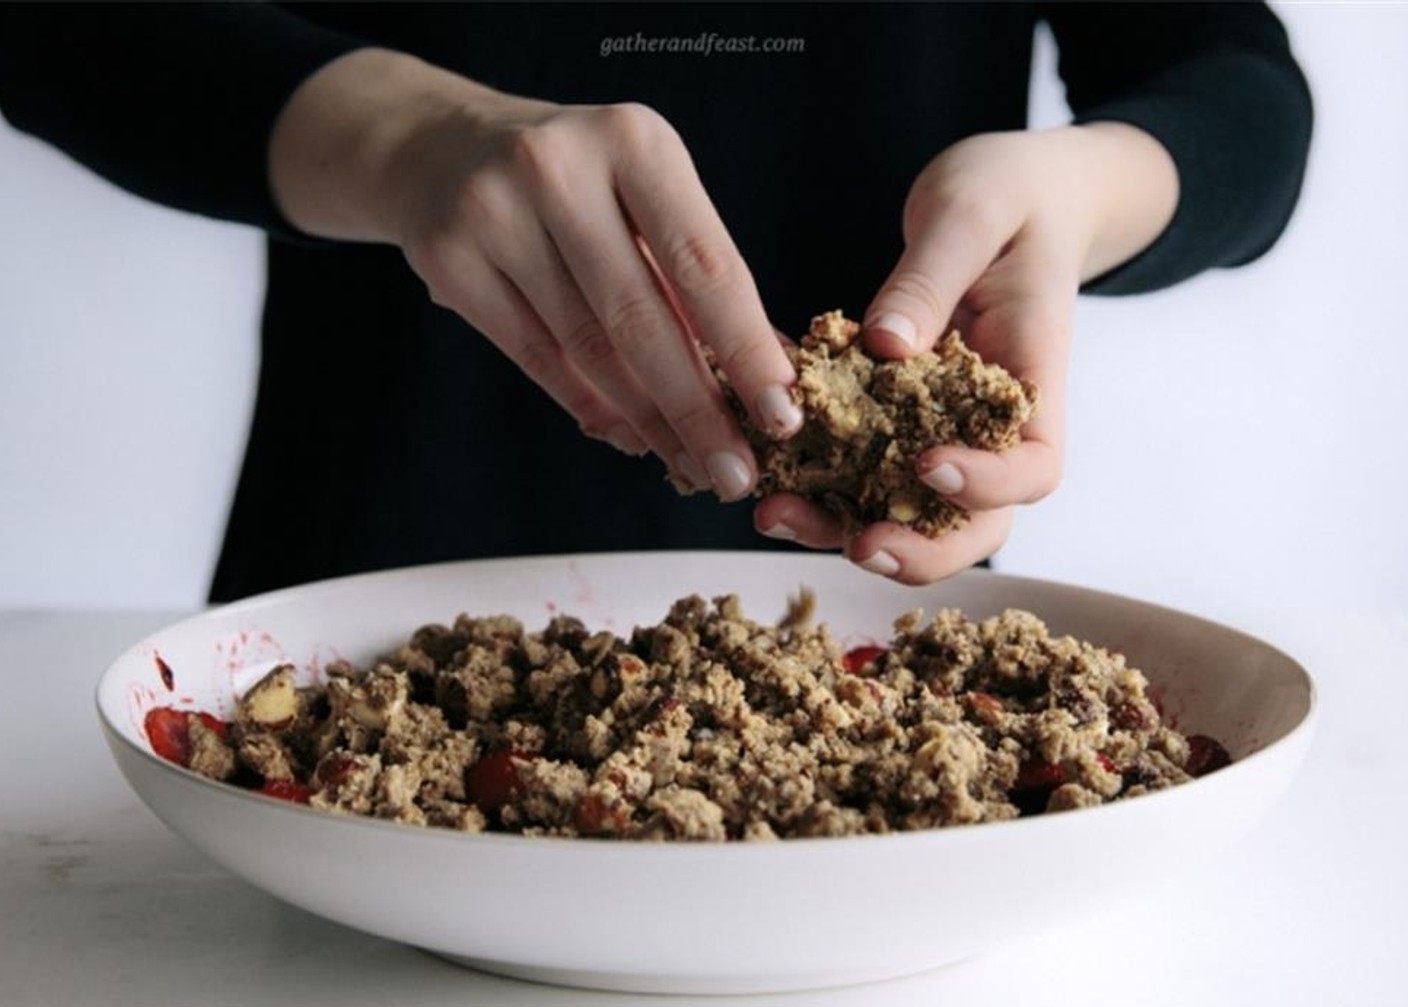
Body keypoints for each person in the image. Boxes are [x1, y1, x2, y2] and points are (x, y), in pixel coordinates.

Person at [0, 3, 1312, 601]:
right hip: (362, 603)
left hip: (872, 637)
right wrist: (404, 139)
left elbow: (1235, 84)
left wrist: (1082, 188)